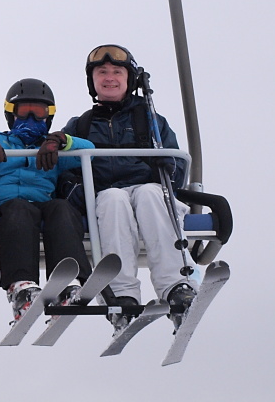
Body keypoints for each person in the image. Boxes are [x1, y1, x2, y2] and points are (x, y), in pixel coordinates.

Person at [62, 44, 195, 333]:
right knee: (113, 200)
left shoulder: (150, 120)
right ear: (92, 81)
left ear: (129, 79)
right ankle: (122, 293)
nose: (109, 78)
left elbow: (176, 163)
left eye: (117, 72)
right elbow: (65, 170)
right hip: (105, 192)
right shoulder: (81, 125)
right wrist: (76, 192)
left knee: (150, 194)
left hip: (147, 188)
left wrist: (167, 170)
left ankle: (175, 286)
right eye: (102, 72)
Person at [0, 78, 95, 324]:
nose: (32, 118)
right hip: (8, 207)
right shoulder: (1, 142)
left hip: (43, 205)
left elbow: (89, 151)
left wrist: (61, 141)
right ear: (11, 114)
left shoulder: (52, 147)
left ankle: (67, 281)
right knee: (20, 209)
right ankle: (21, 286)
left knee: (62, 208)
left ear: (49, 116)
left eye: (39, 112)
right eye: (24, 111)